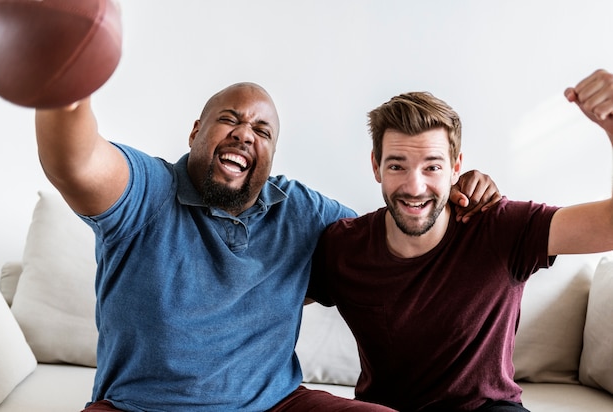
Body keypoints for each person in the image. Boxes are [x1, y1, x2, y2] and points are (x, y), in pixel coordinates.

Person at [35, 82, 499, 411]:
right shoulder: (146, 191)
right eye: (229, 120)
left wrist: (461, 196)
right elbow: (75, 160)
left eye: (262, 131)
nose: (244, 134)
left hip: (278, 405)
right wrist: (66, 77)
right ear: (196, 131)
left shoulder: (302, 210)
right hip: (141, 407)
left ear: (271, 156)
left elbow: (396, 244)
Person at [308, 69, 613, 412]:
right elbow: (269, 300)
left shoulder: (499, 227)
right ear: (376, 166)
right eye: (397, 166)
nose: (414, 186)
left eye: (432, 167)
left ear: (456, 168)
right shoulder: (344, 247)